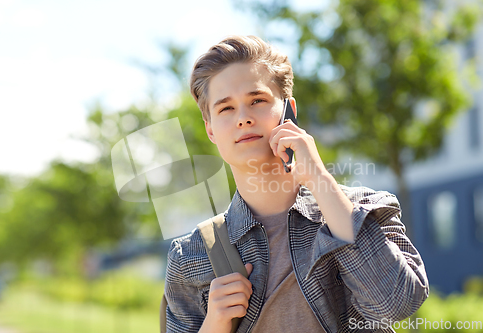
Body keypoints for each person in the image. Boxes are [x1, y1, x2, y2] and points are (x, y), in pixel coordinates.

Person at [163, 35, 429, 333]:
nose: (243, 118)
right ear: (210, 129)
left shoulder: (367, 209)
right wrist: (215, 323)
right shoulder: (191, 255)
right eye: (226, 108)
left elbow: (396, 305)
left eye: (258, 101)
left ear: (290, 110)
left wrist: (318, 177)